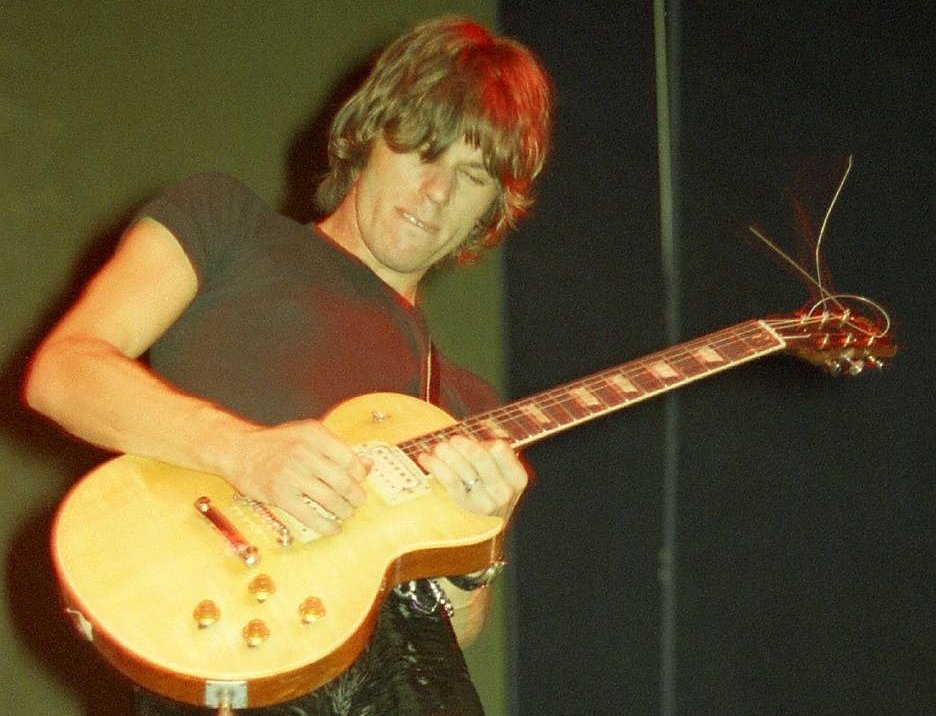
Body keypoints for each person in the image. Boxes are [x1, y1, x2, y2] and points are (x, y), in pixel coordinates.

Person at [24, 15, 552, 716]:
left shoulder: (463, 403)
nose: (436, 193)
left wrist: (476, 559)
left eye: (472, 175)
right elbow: (62, 372)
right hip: (225, 651)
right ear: (372, 133)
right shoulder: (226, 222)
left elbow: (453, 634)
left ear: (492, 208)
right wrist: (244, 452)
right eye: (424, 151)